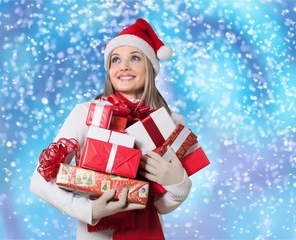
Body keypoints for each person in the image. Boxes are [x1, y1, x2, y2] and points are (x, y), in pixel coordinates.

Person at [30, 18, 194, 240]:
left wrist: (178, 183)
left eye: (134, 58)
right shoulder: (88, 113)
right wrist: (89, 210)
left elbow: (161, 206)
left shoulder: (170, 122)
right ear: (108, 70)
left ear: (151, 66)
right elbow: (39, 181)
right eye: (115, 60)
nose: (123, 66)